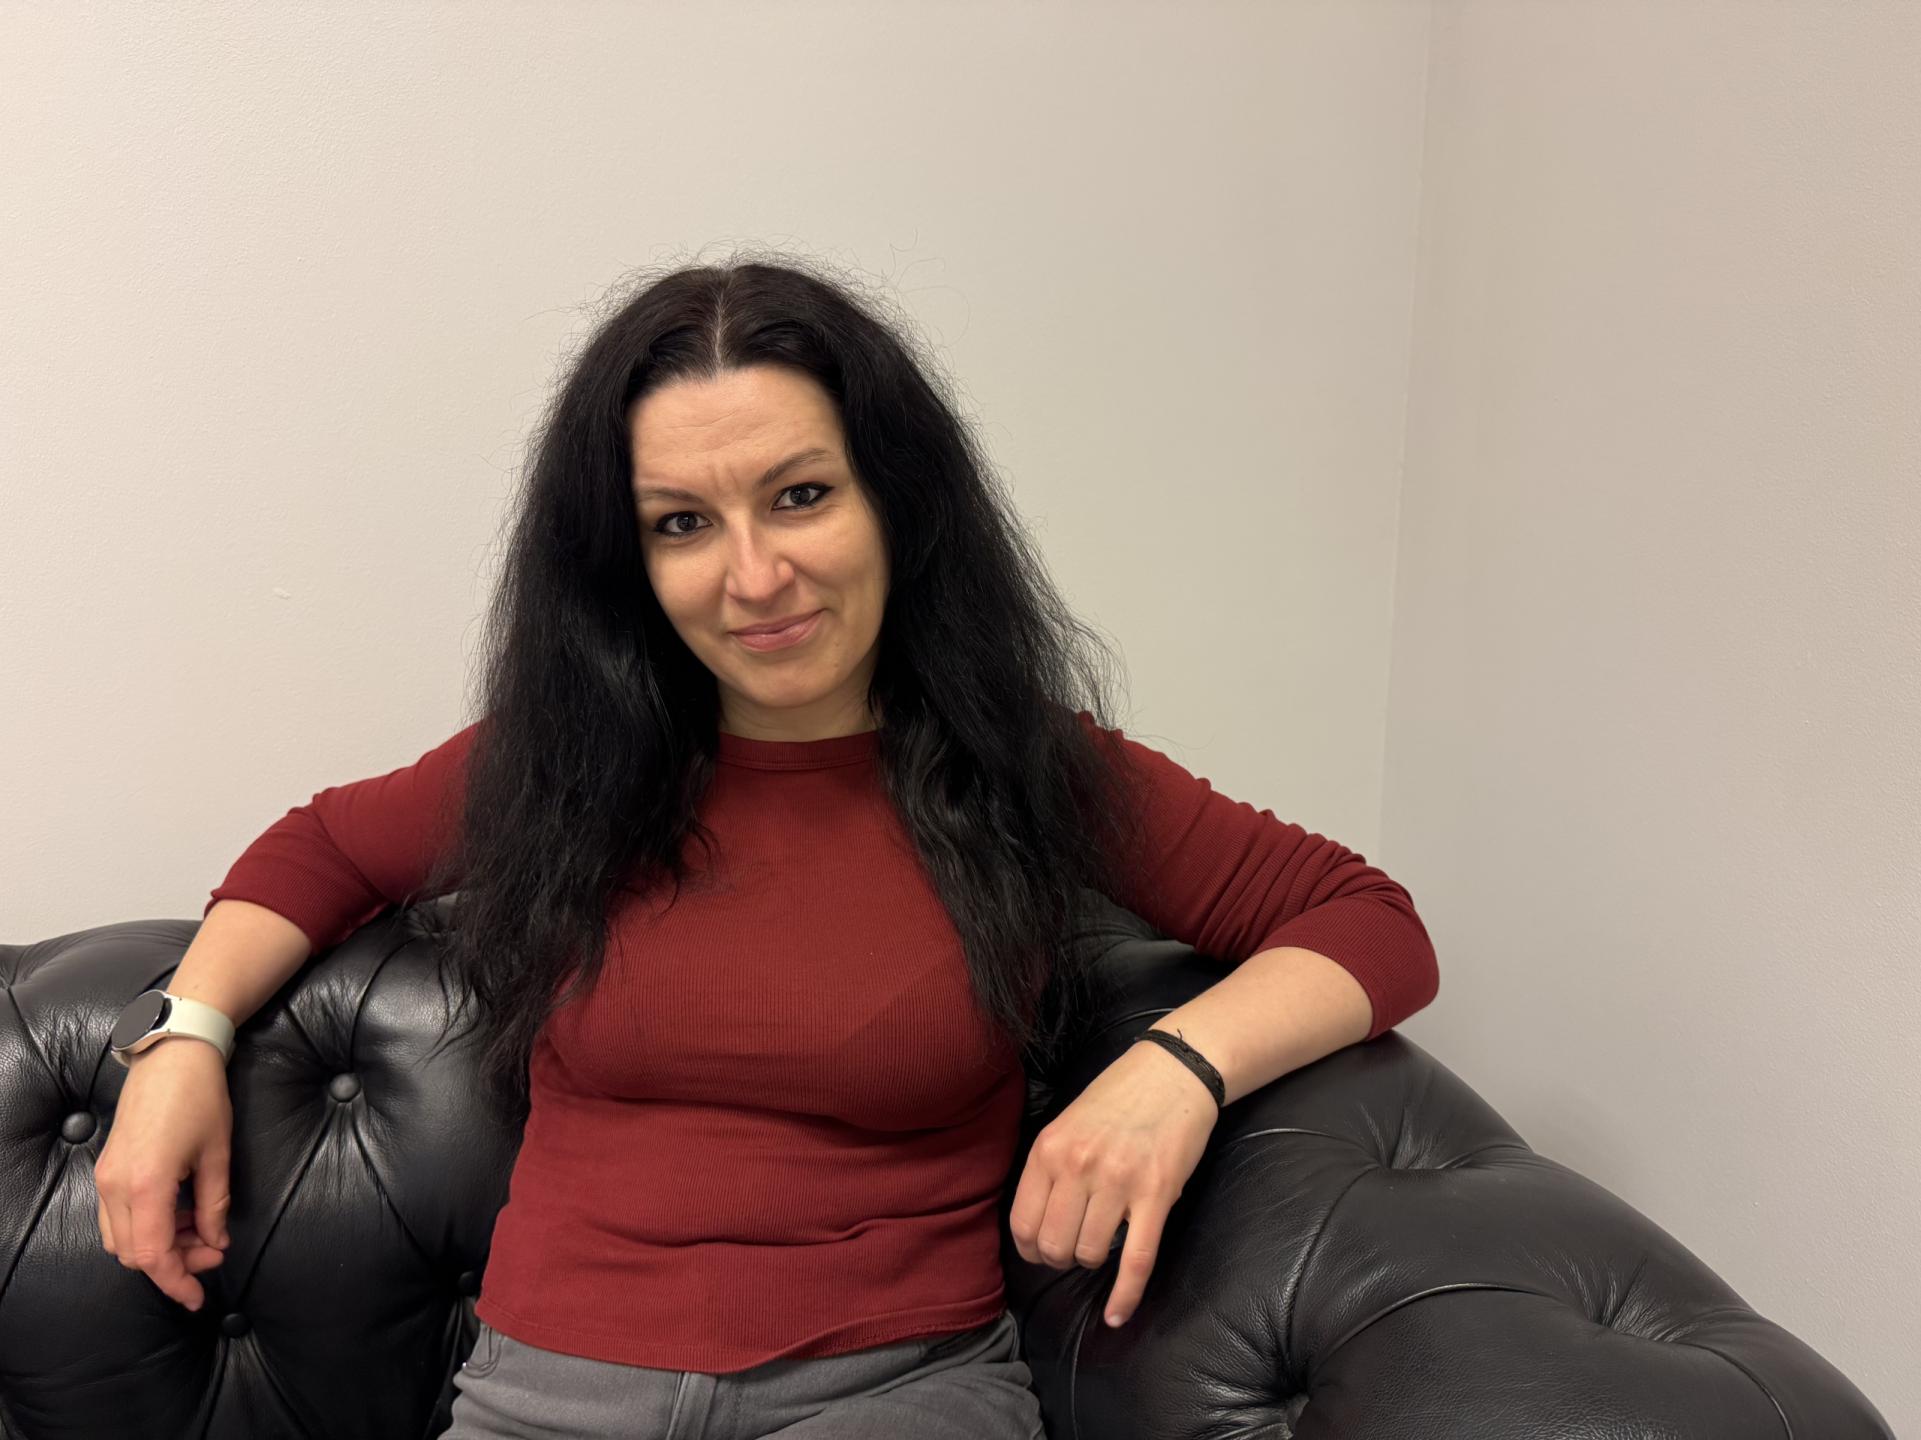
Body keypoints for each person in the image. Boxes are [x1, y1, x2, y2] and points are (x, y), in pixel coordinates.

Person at [93, 254, 1439, 1439]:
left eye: (799, 495)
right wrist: (183, 1042)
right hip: (546, 1396)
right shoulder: (559, 762)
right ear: (629, 561)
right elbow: (319, 850)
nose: (752, 577)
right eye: (682, 523)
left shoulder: (1025, 765)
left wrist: (1176, 1070)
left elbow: (1367, 920)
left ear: (895, 502)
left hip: (895, 1394)